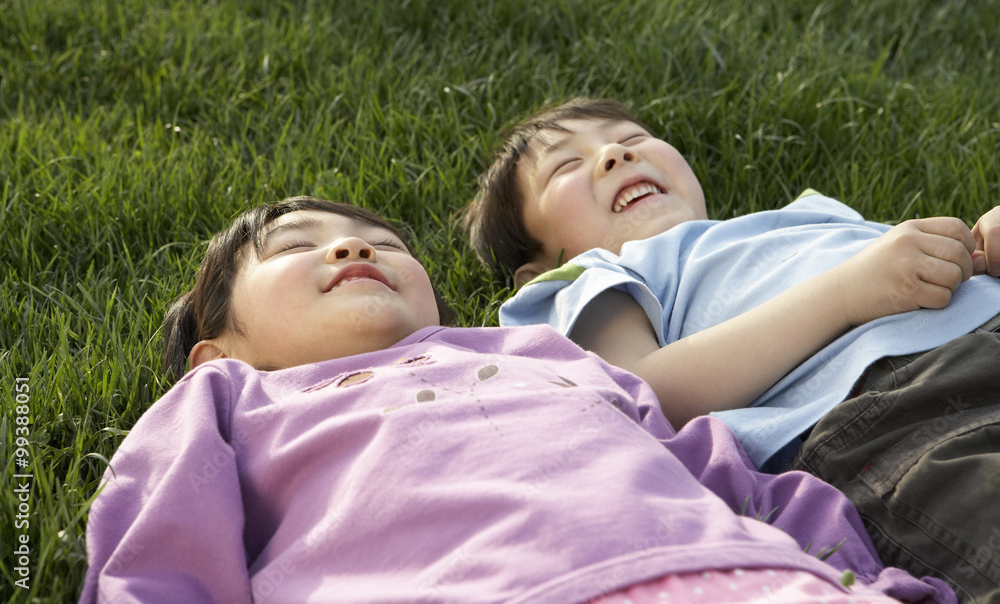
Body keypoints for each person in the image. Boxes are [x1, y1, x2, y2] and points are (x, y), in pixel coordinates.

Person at [80, 196, 952, 603]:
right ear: (215, 349)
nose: (351, 247)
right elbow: (159, 555)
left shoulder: (537, 355)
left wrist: (855, 574)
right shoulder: (228, 400)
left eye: (380, 241)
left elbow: (722, 472)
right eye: (297, 245)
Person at [464, 98, 1000, 602]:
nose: (616, 154)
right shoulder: (591, 275)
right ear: (535, 269)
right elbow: (644, 395)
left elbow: (923, 266)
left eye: (632, 137)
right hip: (896, 408)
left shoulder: (803, 215)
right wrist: (845, 293)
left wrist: (980, 246)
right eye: (565, 166)